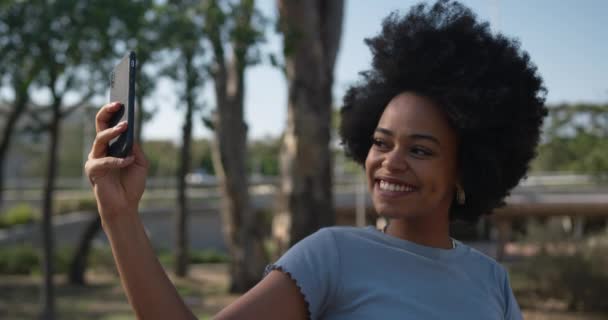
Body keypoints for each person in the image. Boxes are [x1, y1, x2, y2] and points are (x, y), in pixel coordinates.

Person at [85, 1, 546, 319]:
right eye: (381, 142)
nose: (391, 162)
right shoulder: (333, 255)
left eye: (420, 150)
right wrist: (119, 215)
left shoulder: (491, 282)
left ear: (468, 167)